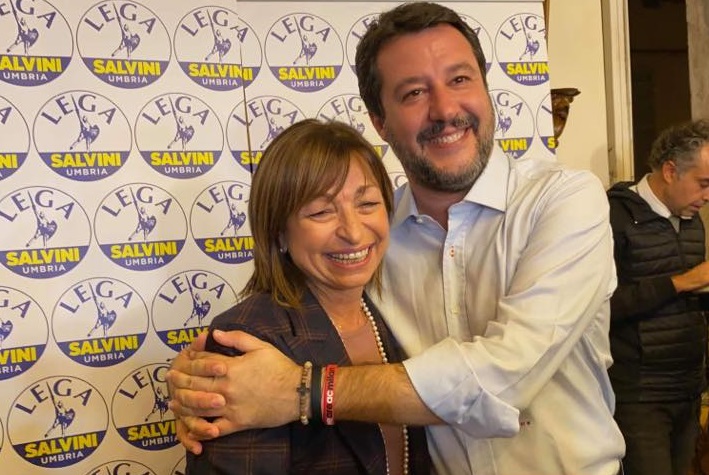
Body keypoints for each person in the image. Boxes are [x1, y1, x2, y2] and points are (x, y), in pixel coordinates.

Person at [167, 3, 625, 474]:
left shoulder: (563, 200)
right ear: (380, 121)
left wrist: (302, 391)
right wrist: (201, 383)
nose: (445, 109)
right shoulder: (370, 242)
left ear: (486, 90)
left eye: (460, 79)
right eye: (414, 93)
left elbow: (505, 376)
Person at [185, 119, 430, 474]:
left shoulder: (398, 312)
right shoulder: (245, 342)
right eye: (321, 212)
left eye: (367, 204)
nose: (353, 232)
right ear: (279, 232)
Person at [606, 119, 709, 475]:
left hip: (688, 388)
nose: (707, 196)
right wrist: (679, 282)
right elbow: (600, 307)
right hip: (639, 395)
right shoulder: (613, 216)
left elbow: (689, 300)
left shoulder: (693, 221)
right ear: (670, 171)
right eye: (703, 183)